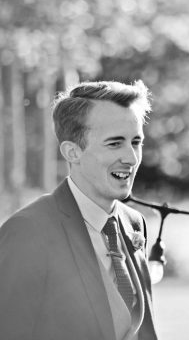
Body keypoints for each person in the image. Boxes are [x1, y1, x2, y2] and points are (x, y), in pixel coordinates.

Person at [0, 80, 159, 340]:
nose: (131, 158)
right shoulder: (27, 232)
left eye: (136, 142)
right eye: (114, 143)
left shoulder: (134, 223)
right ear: (72, 152)